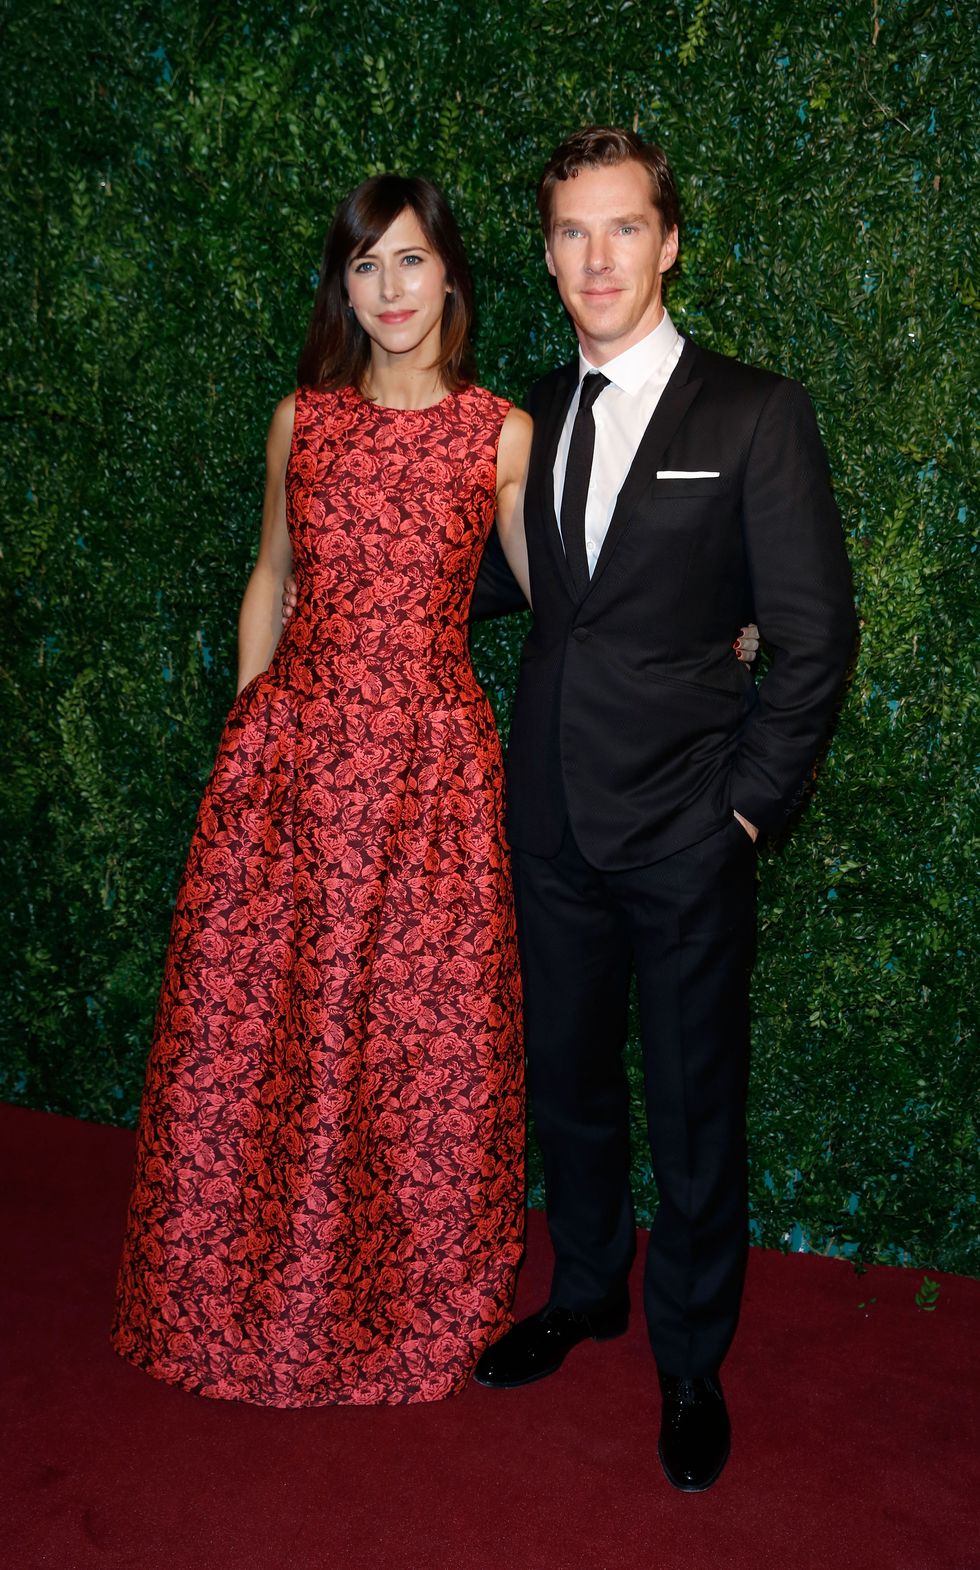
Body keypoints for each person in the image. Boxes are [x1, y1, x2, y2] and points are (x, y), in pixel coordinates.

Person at [467, 128, 858, 1493]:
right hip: (552, 827)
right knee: (569, 1085)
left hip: (691, 833)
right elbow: (487, 588)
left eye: (621, 228)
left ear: (670, 239)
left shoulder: (756, 413)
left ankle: (690, 1359)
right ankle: (587, 1292)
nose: (594, 259)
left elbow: (813, 638)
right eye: (571, 232)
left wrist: (744, 816)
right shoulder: (525, 415)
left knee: (694, 1106)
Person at [111, 175, 536, 1406]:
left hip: (427, 782)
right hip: (296, 767)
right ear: (342, 286)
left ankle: (413, 1305)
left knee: (421, 1048)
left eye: (411, 262)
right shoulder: (300, 418)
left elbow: (568, 595)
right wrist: (251, 717)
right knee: (263, 1034)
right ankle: (234, 1294)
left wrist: (704, 629)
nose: (391, 290)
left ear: (450, 273)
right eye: (367, 267)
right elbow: (269, 569)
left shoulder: (499, 432)